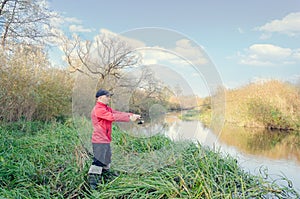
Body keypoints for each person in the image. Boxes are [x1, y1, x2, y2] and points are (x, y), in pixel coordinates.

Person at [88, 89, 140, 189]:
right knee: (98, 162)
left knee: (107, 159)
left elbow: (117, 113)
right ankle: (93, 186)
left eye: (109, 96)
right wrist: (129, 119)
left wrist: (131, 115)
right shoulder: (98, 109)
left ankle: (105, 178)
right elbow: (112, 117)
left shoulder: (106, 108)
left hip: (106, 139)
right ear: (99, 98)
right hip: (99, 140)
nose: (109, 98)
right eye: (107, 96)